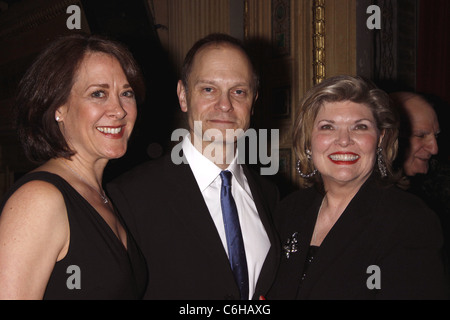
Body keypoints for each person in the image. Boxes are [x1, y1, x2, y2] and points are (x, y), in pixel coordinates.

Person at [107, 33, 280, 300]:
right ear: (183, 95)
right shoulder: (128, 198)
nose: (225, 105)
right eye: (209, 89)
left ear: (253, 102)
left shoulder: (272, 196)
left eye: (238, 91)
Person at [267, 75, 449, 299]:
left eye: (360, 127)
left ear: (381, 139)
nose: (344, 140)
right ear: (309, 141)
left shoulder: (410, 220)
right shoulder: (288, 211)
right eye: (328, 127)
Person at [0, 34, 147, 299]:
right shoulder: (39, 200)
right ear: (59, 107)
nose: (119, 110)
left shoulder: (104, 197)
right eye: (98, 93)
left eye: (126, 93)